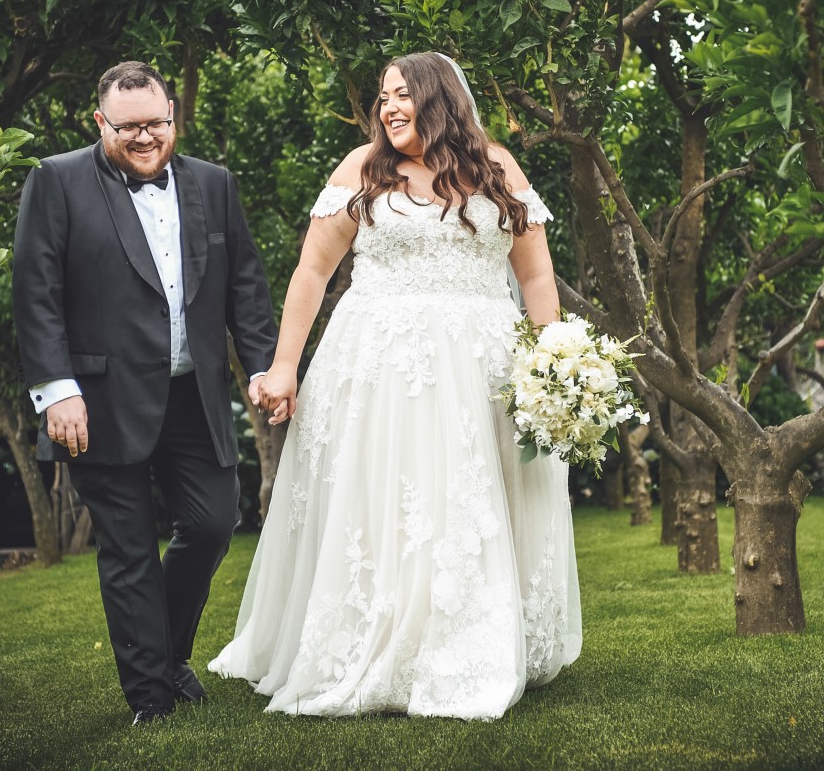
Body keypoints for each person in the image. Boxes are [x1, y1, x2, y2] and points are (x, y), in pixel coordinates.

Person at [209, 52, 581, 719]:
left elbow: (535, 276)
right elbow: (312, 272)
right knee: (388, 506)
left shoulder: (497, 168)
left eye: (401, 94)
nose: (387, 108)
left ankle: (468, 645)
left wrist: (549, 358)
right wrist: (285, 365)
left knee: (466, 503)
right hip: (380, 370)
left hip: (480, 370)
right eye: (382, 97)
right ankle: (375, 642)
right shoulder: (362, 168)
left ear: (439, 98)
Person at [12, 61, 277, 726]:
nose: (144, 137)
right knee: (128, 548)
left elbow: (245, 283)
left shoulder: (214, 185)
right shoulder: (56, 180)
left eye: (155, 123)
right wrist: (55, 390)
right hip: (97, 403)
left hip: (197, 397)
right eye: (127, 126)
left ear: (172, 118)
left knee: (214, 524)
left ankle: (164, 653)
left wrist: (265, 367)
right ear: (100, 122)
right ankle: (151, 699)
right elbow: (35, 293)